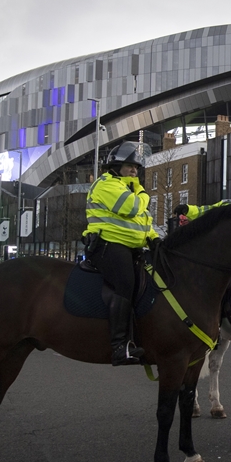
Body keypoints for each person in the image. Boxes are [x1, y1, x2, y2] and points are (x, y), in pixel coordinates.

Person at [82, 140, 159, 365]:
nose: (134, 170)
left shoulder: (127, 188)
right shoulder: (106, 184)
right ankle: (118, 346)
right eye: (129, 166)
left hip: (131, 246)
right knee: (125, 282)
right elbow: (133, 208)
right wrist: (144, 192)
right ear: (116, 167)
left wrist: (153, 238)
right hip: (108, 245)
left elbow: (143, 220)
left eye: (136, 167)